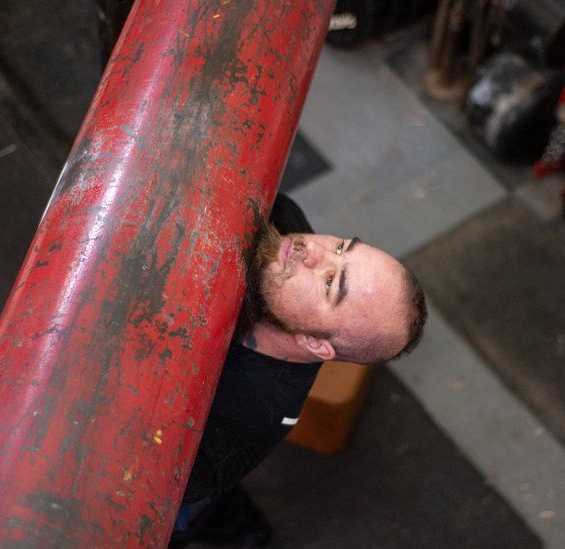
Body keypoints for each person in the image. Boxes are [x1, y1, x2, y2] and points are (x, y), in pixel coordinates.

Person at [169, 195, 426, 547]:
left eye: (329, 283)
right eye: (341, 247)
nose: (311, 252)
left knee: (203, 521)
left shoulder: (240, 418)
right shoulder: (285, 227)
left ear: (316, 344)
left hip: (190, 498)